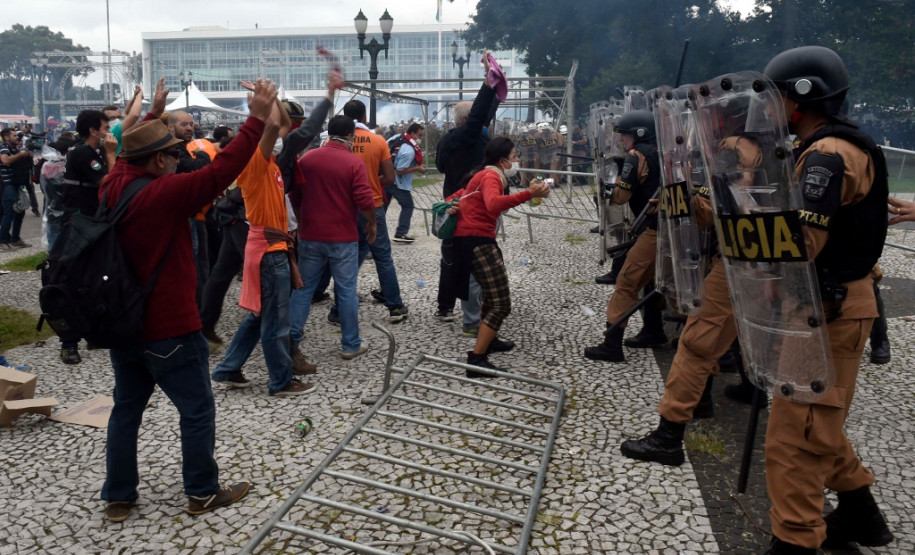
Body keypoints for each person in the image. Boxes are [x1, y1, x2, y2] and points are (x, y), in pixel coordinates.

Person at [96, 77, 277, 523]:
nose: (179, 160)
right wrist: (255, 119)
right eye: (173, 155)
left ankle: (119, 495)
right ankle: (202, 491)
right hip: (170, 327)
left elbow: (126, 151)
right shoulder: (166, 194)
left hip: (124, 323)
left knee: (126, 410)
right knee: (196, 409)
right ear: (157, 160)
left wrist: (154, 115)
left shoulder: (114, 183)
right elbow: (222, 171)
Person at [752, 45, 894, 554]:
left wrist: (747, 226)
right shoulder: (828, 147)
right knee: (818, 421)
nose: (767, 109)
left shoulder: (827, 156)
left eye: (775, 97)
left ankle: (795, 542)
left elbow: (801, 245)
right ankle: (860, 513)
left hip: (825, 308)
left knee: (796, 438)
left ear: (801, 98)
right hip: (830, 305)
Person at [209, 81, 314, 396]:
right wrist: (260, 102)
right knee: (275, 322)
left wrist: (275, 98)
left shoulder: (267, 163)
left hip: (270, 246)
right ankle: (281, 381)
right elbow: (271, 126)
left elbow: (281, 124)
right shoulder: (254, 163)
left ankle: (228, 368)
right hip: (269, 250)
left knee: (259, 317)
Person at [446, 137, 550, 376]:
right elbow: (493, 205)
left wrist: (455, 207)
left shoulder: (483, 174)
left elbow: (454, 197)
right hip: (477, 241)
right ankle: (477, 359)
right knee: (502, 302)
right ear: (503, 160)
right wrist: (527, 194)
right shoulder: (491, 176)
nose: (517, 160)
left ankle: (488, 340)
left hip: (472, 240)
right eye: (514, 156)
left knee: (491, 297)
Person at [288, 115, 376, 360]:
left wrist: (300, 221)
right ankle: (350, 344)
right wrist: (372, 223)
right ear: (351, 136)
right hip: (343, 236)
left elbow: (295, 194)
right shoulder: (353, 163)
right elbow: (364, 199)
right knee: (346, 290)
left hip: (311, 235)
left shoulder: (308, 159)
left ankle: (292, 339)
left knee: (303, 289)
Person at [584, 110, 666, 363]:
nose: (621, 140)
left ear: (639, 134)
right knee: (661, 284)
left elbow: (622, 196)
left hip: (654, 230)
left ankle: (612, 345)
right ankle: (654, 331)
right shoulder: (662, 153)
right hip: (673, 229)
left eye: (625, 135)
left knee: (627, 283)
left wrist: (615, 183)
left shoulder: (636, 155)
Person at [435, 54, 499, 330]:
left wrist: (495, 85)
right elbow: (480, 115)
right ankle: (472, 316)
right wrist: (488, 82)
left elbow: (439, 167)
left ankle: (445, 305)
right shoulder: (467, 135)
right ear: (467, 120)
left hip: (453, 197)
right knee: (470, 259)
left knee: (450, 256)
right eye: (474, 118)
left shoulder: (447, 139)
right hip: (469, 202)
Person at [329, 99, 407, 324]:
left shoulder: (333, 144)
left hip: (344, 207)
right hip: (373, 205)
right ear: (364, 117)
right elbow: (390, 177)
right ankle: (395, 307)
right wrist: (370, 182)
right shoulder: (378, 141)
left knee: (345, 259)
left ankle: (337, 310)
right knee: (383, 258)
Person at [58, 109, 119, 364]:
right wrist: (111, 153)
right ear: (94, 130)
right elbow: (111, 182)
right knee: (72, 279)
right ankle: (68, 342)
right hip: (79, 223)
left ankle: (95, 330)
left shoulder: (94, 152)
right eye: (105, 127)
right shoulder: (84, 153)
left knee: (98, 278)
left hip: (94, 221)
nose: (108, 131)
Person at [389, 122, 425, 242]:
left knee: (380, 208)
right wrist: (417, 168)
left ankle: (373, 235)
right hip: (397, 182)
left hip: (385, 177)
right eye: (420, 135)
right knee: (408, 205)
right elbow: (400, 170)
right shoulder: (409, 150)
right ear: (413, 134)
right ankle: (401, 233)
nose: (421, 138)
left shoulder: (397, 138)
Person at [0, 128, 33, 250]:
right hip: (8, 184)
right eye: (14, 135)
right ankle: (2, 240)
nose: (17, 137)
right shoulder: (3, 147)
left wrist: (27, 155)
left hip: (17, 184)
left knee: (20, 210)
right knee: (9, 212)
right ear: (6, 137)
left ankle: (15, 239)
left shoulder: (15, 149)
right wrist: (21, 155)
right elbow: (5, 160)